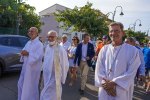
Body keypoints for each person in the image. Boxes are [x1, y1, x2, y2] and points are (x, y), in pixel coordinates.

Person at [95, 22, 141, 100]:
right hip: (105, 89)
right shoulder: (104, 49)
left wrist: (114, 82)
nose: (113, 33)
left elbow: (131, 72)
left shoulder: (133, 50)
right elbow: (99, 68)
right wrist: (105, 85)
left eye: (117, 31)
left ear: (123, 33)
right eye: (111, 31)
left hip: (121, 90)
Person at [40, 30, 69, 100]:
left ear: (56, 38)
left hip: (55, 77)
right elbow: (45, 60)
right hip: (46, 76)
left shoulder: (60, 49)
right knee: (45, 93)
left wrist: (62, 78)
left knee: (50, 95)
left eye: (52, 37)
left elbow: (65, 64)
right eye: (49, 37)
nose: (50, 38)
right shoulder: (47, 47)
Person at [18, 27, 44, 100]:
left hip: (33, 70)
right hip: (25, 68)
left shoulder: (39, 44)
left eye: (32, 31)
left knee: (30, 87)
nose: (30, 32)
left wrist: (28, 54)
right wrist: (22, 53)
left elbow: (38, 56)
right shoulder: (29, 42)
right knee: (20, 84)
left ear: (37, 33)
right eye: (29, 31)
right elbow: (24, 51)